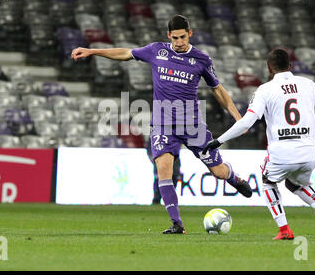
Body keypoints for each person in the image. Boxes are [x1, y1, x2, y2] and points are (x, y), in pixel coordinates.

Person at [72, 15, 253, 234]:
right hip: (163, 125)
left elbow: (218, 89)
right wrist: (92, 52)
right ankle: (177, 223)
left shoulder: (201, 59)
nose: (179, 42)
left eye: (183, 37)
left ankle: (233, 178)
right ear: (169, 36)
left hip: (192, 126)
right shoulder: (157, 50)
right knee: (163, 169)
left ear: (190, 33)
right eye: (175, 38)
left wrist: (238, 117)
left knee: (218, 172)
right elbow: (125, 53)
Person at [203, 48, 315, 240]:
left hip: (281, 151)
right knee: (296, 184)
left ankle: (284, 229)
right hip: (309, 151)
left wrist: (218, 140)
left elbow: (246, 123)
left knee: (268, 182)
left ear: (269, 69)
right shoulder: (308, 84)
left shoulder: (264, 90)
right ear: (290, 66)